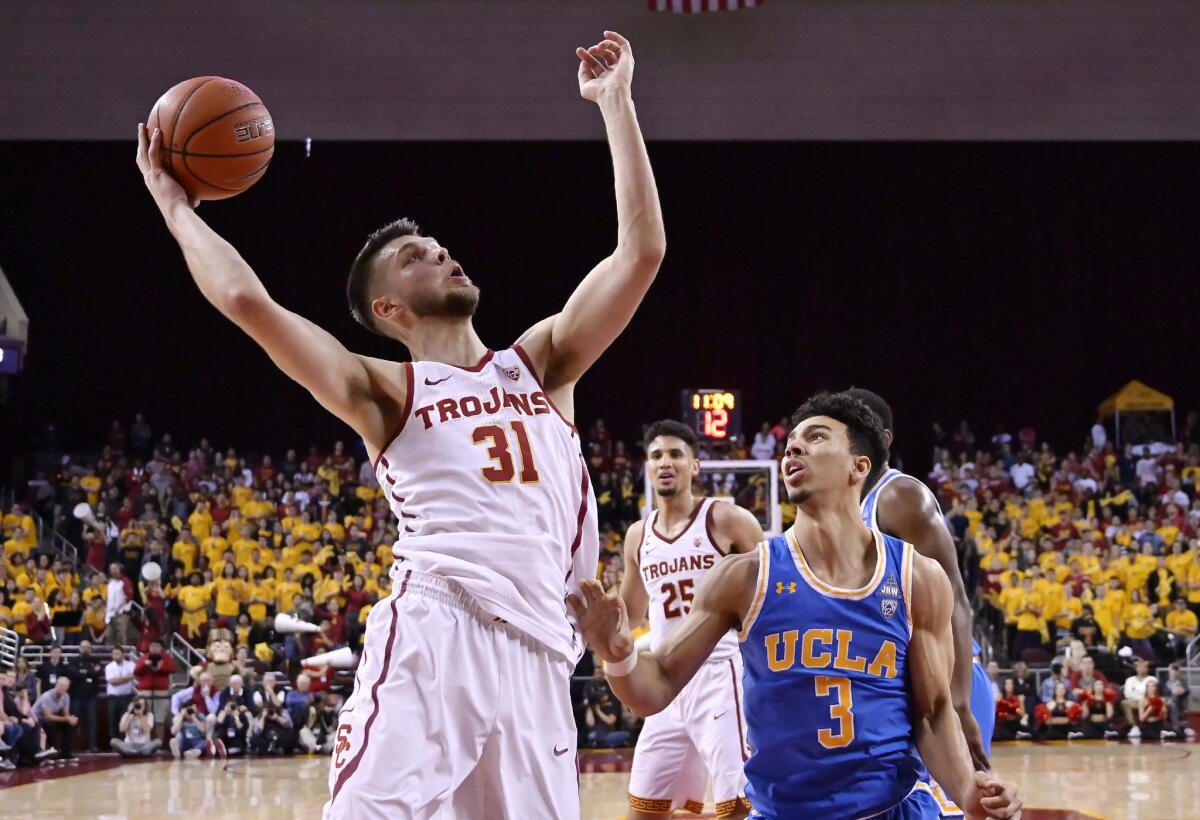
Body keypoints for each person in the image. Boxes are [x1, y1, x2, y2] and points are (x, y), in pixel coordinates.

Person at [137, 28, 664, 820]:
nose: (443, 255)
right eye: (418, 256)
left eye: (441, 246)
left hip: (542, 657)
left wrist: (617, 103)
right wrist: (175, 207)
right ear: (388, 309)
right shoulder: (385, 389)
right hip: (440, 626)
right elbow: (250, 304)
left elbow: (642, 252)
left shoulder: (543, 364)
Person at [571, 393, 1021, 818]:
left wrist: (966, 790)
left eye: (817, 437)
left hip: (893, 806)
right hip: (785, 810)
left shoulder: (916, 577)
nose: (793, 451)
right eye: (790, 445)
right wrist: (619, 654)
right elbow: (655, 689)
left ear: (858, 466)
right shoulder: (743, 577)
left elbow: (933, 711)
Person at [618, 420, 764, 819]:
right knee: (647, 810)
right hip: (666, 680)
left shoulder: (727, 519)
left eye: (675, 454)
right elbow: (630, 613)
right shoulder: (637, 535)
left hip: (721, 674)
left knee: (737, 807)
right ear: (647, 467)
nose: (665, 462)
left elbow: (773, 590)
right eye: (656, 456)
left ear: (694, 466)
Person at [848, 390, 993, 767]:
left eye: (852, 430)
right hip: (897, 684)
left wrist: (959, 702)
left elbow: (956, 599)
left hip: (945, 681)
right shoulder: (842, 512)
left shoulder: (899, 496)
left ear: (882, 439)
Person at [134, 638, 177, 737]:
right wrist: (145, 665)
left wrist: (160, 668)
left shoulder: (166, 658)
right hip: (145, 692)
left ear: (161, 648)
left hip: (161, 693)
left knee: (160, 720)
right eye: (152, 646)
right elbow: (136, 672)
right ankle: (143, 741)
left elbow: (173, 668)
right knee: (143, 717)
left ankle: (159, 744)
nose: (154, 648)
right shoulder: (144, 658)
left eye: (157, 646)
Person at [69, 639, 105, 752]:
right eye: (83, 647)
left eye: (87, 647)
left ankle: (92, 746)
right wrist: (90, 672)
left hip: (91, 697)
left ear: (90, 649)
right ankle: (72, 747)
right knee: (74, 723)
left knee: (91, 722)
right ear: (79, 648)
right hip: (76, 697)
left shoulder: (95, 660)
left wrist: (83, 672)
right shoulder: (73, 660)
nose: (85, 649)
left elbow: (99, 672)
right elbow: (73, 673)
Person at [32, 676, 77, 760]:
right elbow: (48, 716)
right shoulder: (47, 696)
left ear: (68, 687)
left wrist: (71, 719)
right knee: (49, 725)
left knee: (68, 725)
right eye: (61, 685)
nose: (62, 688)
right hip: (37, 719)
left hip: (51, 718)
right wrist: (67, 719)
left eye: (65, 686)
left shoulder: (66, 696)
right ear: (56, 685)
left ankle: (66, 752)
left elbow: (65, 714)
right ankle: (50, 751)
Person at [104, 646, 136, 746]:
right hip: (113, 698)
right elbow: (112, 682)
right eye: (114, 654)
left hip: (127, 696)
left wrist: (121, 679)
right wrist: (127, 678)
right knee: (112, 721)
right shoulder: (109, 667)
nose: (115, 656)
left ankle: (124, 743)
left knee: (125, 720)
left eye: (117, 654)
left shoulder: (131, 664)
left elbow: (134, 676)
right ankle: (114, 744)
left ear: (123, 655)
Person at [1122, 659, 1154, 736]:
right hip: (1134, 701)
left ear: (1147, 668)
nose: (1142, 668)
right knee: (1124, 703)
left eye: (1144, 667)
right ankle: (1134, 727)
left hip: (1149, 702)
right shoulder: (1130, 680)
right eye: (1140, 667)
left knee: (1145, 701)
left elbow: (1152, 693)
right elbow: (1127, 694)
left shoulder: (1152, 679)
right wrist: (1142, 693)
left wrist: (1136, 690)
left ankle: (1152, 727)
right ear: (1136, 668)